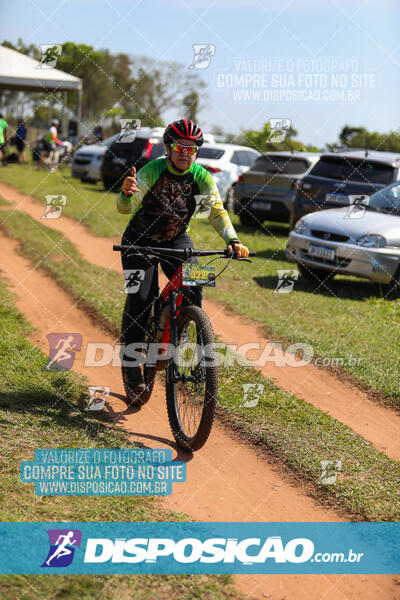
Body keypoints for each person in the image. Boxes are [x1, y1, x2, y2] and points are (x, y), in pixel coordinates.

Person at [116, 118, 249, 395]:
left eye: (191, 149)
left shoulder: (201, 176)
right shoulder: (152, 170)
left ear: (197, 152)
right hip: (138, 241)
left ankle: (179, 328)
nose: (185, 154)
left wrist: (232, 240)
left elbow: (216, 212)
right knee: (141, 297)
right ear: (168, 147)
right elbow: (125, 207)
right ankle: (131, 369)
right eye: (179, 147)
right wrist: (126, 194)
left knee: (196, 282)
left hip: (176, 239)